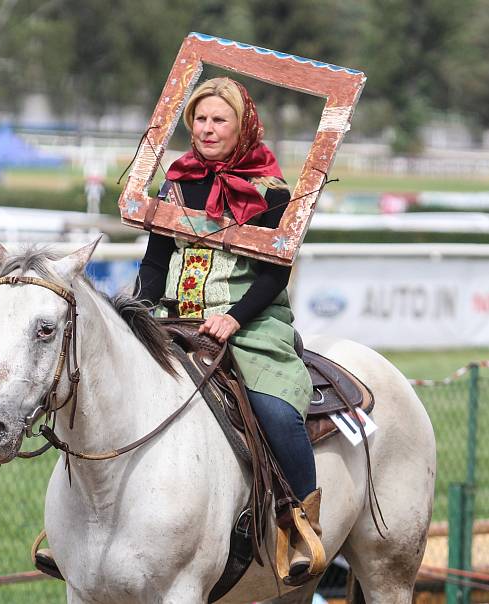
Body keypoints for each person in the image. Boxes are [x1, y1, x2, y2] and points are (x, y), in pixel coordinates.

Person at [135, 77, 319, 576]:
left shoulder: (270, 190)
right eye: (200, 118)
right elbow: (155, 262)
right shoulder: (174, 181)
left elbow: (275, 272)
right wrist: (137, 312)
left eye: (220, 119)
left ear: (243, 126)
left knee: (275, 412)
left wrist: (233, 318)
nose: (207, 128)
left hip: (250, 322)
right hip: (175, 319)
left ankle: (300, 521)